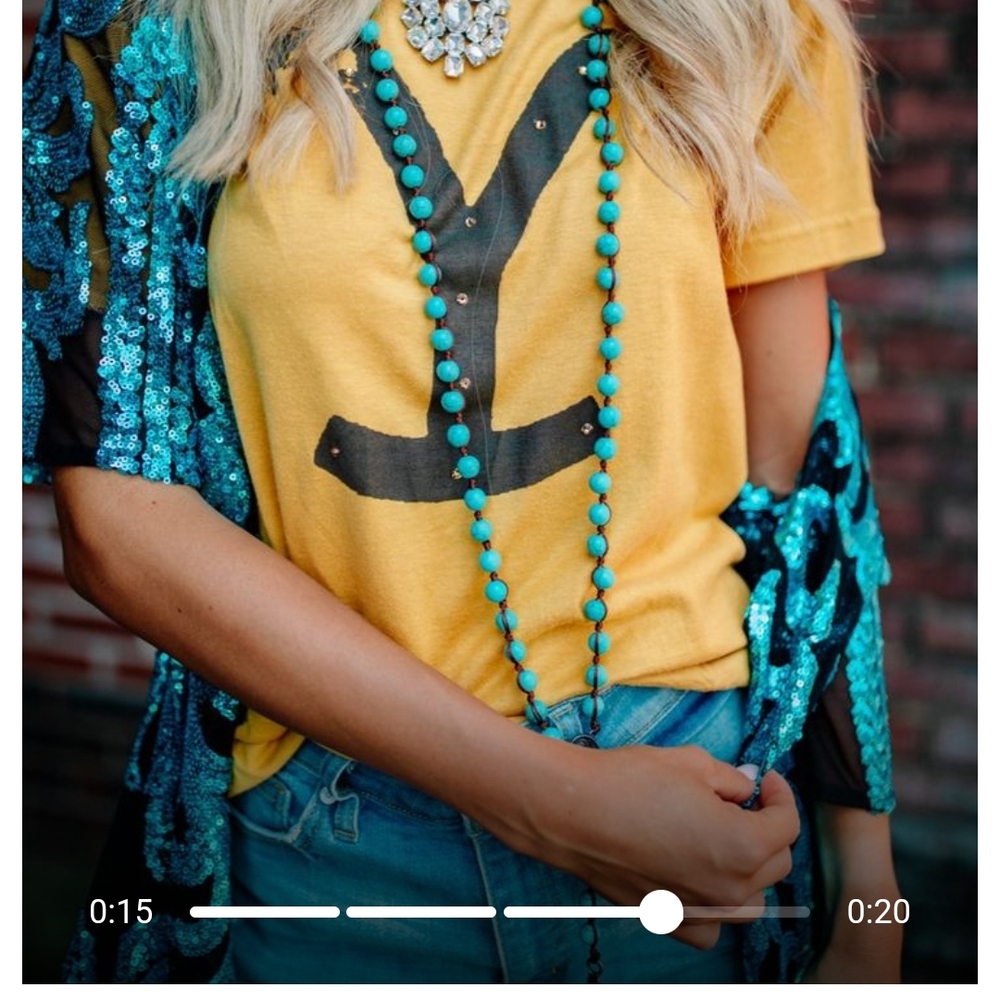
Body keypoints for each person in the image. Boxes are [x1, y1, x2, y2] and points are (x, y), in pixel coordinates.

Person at [23, 0, 901, 984]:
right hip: (343, 842)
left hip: (698, 803)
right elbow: (117, 523)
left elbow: (802, 483)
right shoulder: (151, 19)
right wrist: (560, 803)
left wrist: (867, 882)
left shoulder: (748, 18)